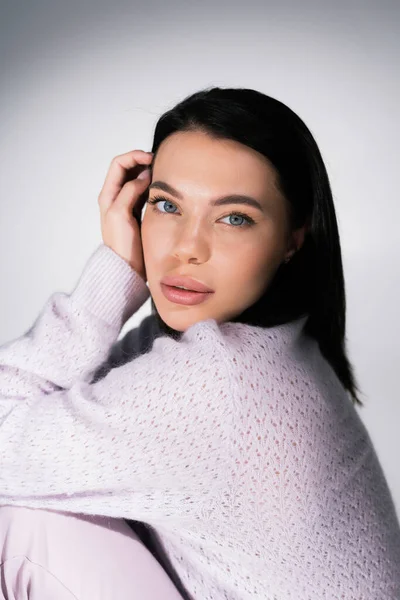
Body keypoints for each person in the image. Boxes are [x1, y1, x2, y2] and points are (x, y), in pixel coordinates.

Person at [1, 86, 400, 600]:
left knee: (25, 521)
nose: (187, 248)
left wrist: (110, 279)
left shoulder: (214, 382)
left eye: (234, 217)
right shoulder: (271, 338)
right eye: (166, 205)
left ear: (293, 238)